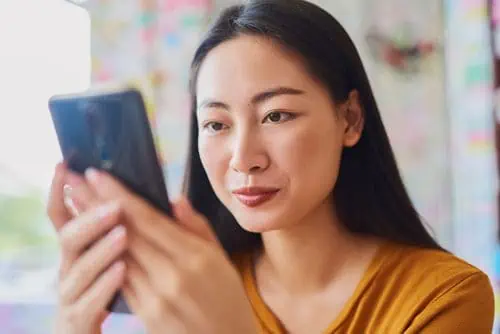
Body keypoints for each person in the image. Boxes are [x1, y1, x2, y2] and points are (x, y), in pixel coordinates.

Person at [46, 0, 495, 333]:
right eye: (216, 123)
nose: (244, 158)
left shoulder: (444, 297)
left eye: (276, 115)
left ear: (350, 119)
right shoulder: (189, 292)